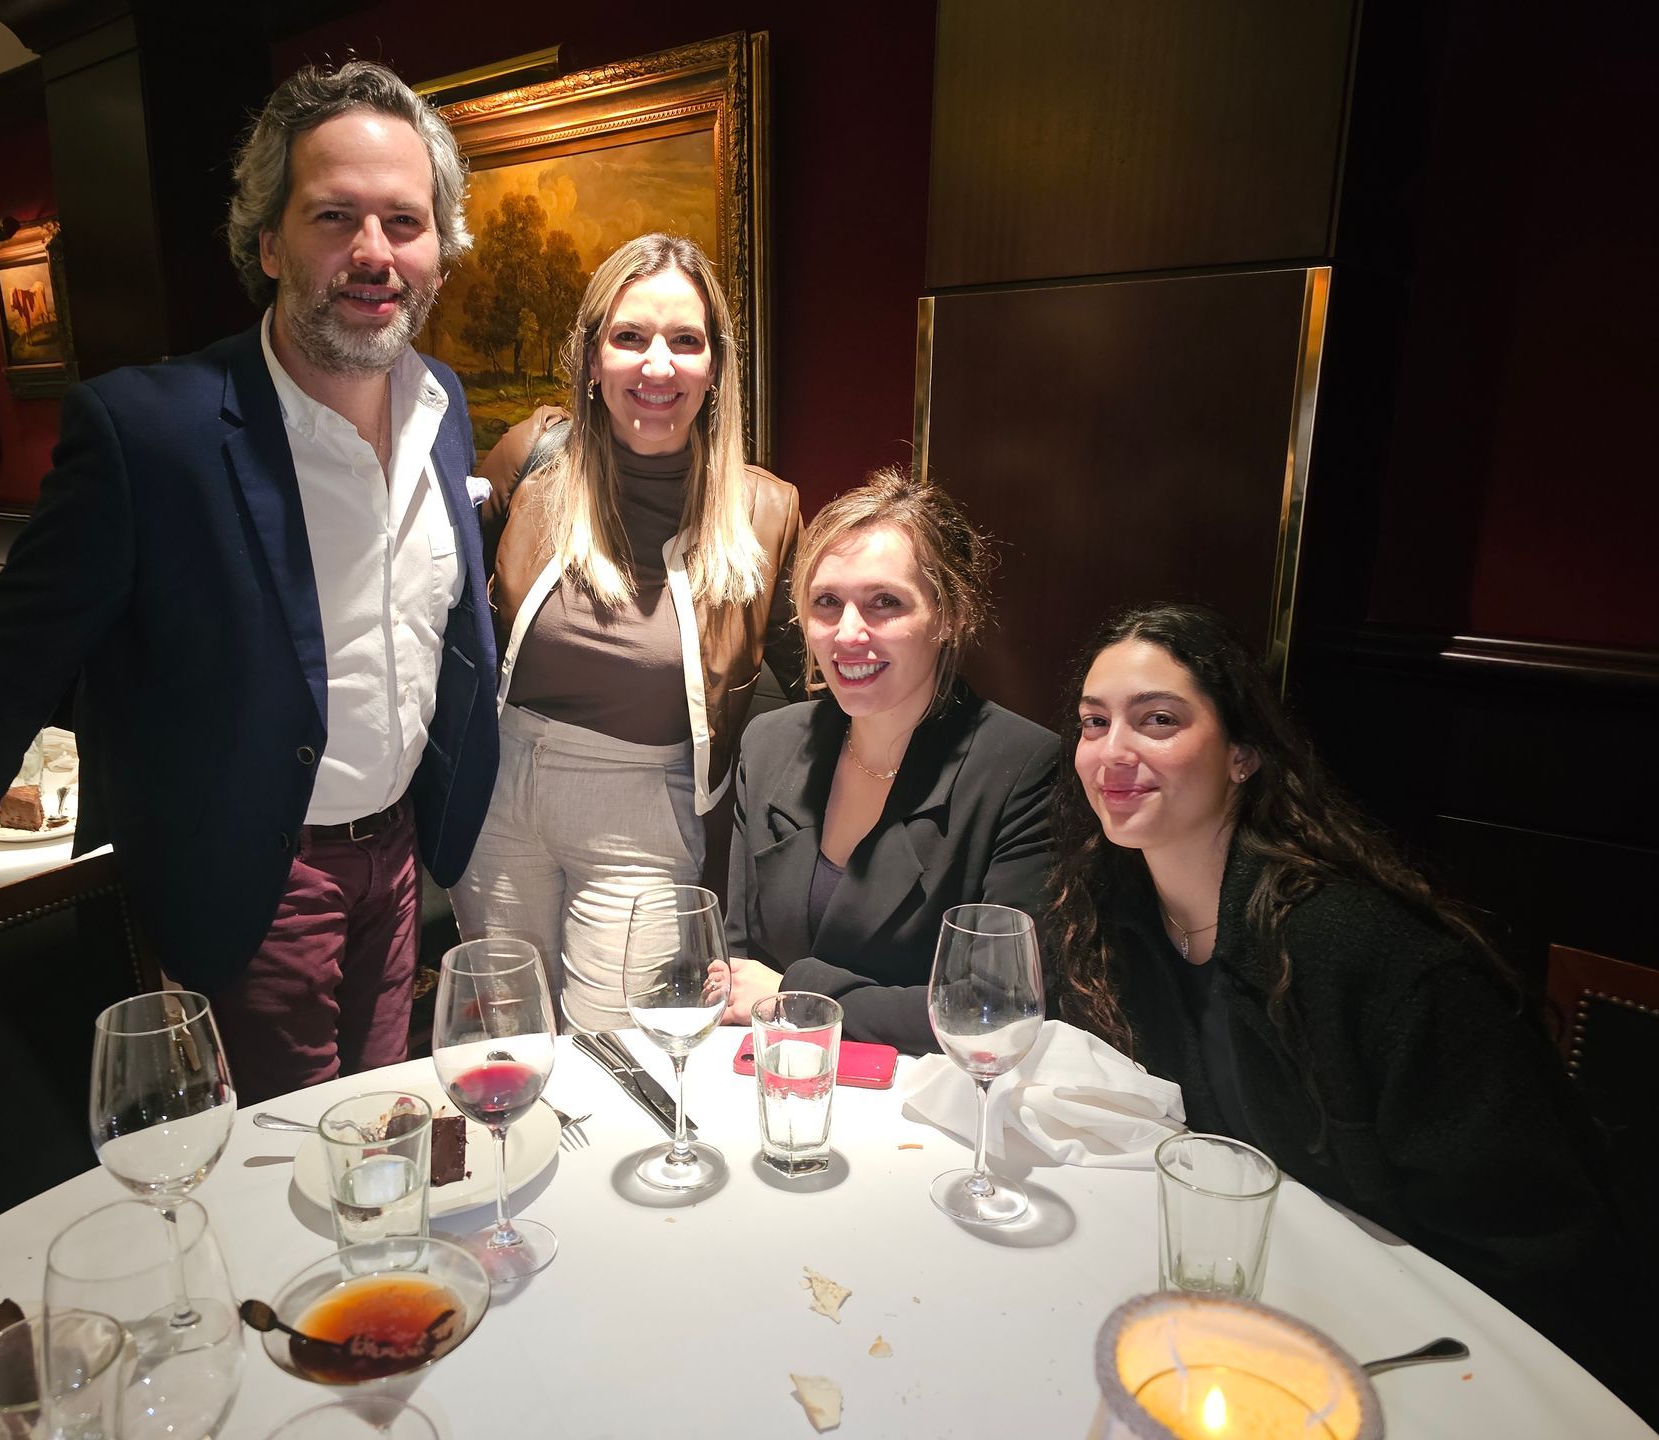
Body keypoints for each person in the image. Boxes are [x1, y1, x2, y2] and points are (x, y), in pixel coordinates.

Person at [0, 61, 499, 1102]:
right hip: (257, 875)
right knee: (288, 1165)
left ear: (439, 254)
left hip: (400, 857)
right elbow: (13, 659)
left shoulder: (442, 403)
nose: (374, 253)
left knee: (385, 1131)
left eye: (404, 223)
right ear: (268, 242)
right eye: (334, 216)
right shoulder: (151, 431)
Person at [1047, 601, 1651, 1415]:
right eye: (1093, 723)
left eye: (1158, 720)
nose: (1113, 752)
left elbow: (1543, 1250)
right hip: (1259, 1329)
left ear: (1243, 755)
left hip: (1442, 1363)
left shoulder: (1365, 954)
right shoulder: (1110, 913)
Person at [451, 233, 802, 1032]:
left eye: (686, 340)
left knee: (620, 1059)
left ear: (715, 367)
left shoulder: (765, 511)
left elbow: (830, 686)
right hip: (503, 789)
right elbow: (439, 603)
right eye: (630, 337)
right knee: (505, 1045)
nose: (657, 365)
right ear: (592, 358)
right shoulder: (532, 460)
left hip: (645, 811)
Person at [719, 468, 1056, 1051]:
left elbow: (993, 1008)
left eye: (884, 603)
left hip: (927, 1110)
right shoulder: (768, 744)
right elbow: (737, 969)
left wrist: (793, 997)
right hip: (776, 1086)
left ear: (949, 615)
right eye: (826, 602)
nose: (848, 633)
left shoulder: (1022, 767)